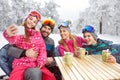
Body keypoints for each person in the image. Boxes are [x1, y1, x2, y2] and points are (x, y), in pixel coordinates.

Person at [3, 11, 56, 80]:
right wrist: (7, 33)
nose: (31, 22)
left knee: (50, 77)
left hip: (35, 64)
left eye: (34, 22)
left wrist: (41, 61)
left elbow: (42, 49)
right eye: (30, 19)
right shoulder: (21, 30)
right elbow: (12, 40)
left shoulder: (38, 34)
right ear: (26, 18)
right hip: (20, 64)